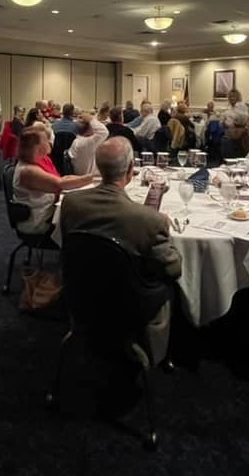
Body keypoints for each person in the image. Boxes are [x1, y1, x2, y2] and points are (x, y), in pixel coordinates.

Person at [60, 138, 182, 366]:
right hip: (131, 306)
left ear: (98, 167)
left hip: (81, 295)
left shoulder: (70, 203)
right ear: (130, 170)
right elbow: (173, 270)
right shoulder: (150, 220)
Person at [12, 129, 94, 235]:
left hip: (43, 212)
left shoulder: (34, 162)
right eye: (46, 140)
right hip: (38, 222)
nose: (50, 142)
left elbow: (59, 180)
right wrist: (94, 176)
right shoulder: (28, 171)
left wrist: (85, 177)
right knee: (81, 219)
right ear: (37, 147)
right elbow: (60, 185)